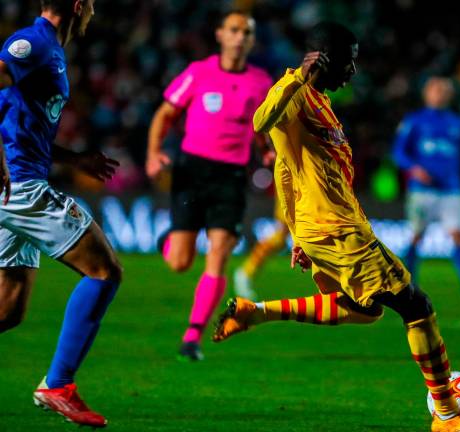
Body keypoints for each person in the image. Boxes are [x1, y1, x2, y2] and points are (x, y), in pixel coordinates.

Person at [213, 22, 460, 432]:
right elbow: (262, 120)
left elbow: (288, 172)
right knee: (415, 306)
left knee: (364, 310)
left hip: (328, 228)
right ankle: (447, 414)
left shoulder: (320, 103)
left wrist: (298, 234)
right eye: (348, 60)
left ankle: (255, 312)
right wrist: (298, 75)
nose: (352, 70)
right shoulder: (295, 94)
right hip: (336, 230)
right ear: (323, 59)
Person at [0, 0, 122, 427]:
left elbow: (22, 125)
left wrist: (74, 159)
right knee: (105, 270)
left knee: (8, 309)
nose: (92, 9)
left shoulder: (48, 48)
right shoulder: (31, 44)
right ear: (77, 6)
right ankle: (58, 384)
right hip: (20, 187)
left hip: (17, 184)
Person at [145, 10, 272, 361]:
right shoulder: (199, 72)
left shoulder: (261, 82)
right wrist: (154, 153)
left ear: (252, 39)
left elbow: (261, 126)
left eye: (246, 32)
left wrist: (267, 152)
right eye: (233, 30)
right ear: (220, 34)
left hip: (231, 175)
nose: (240, 37)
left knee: (219, 252)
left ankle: (192, 336)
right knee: (180, 263)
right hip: (192, 170)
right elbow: (165, 113)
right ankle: (168, 244)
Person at [392, 77, 460, 300]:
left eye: (444, 91)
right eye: (436, 90)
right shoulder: (414, 121)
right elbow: (399, 153)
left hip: (451, 190)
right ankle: (408, 285)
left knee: (459, 235)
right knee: (416, 236)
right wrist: (414, 169)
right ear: (427, 94)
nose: (440, 94)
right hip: (421, 190)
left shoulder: (458, 123)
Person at [233, 147, 290, 300]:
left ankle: (246, 272)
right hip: (294, 175)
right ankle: (245, 272)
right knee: (282, 234)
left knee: (282, 236)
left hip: (304, 173)